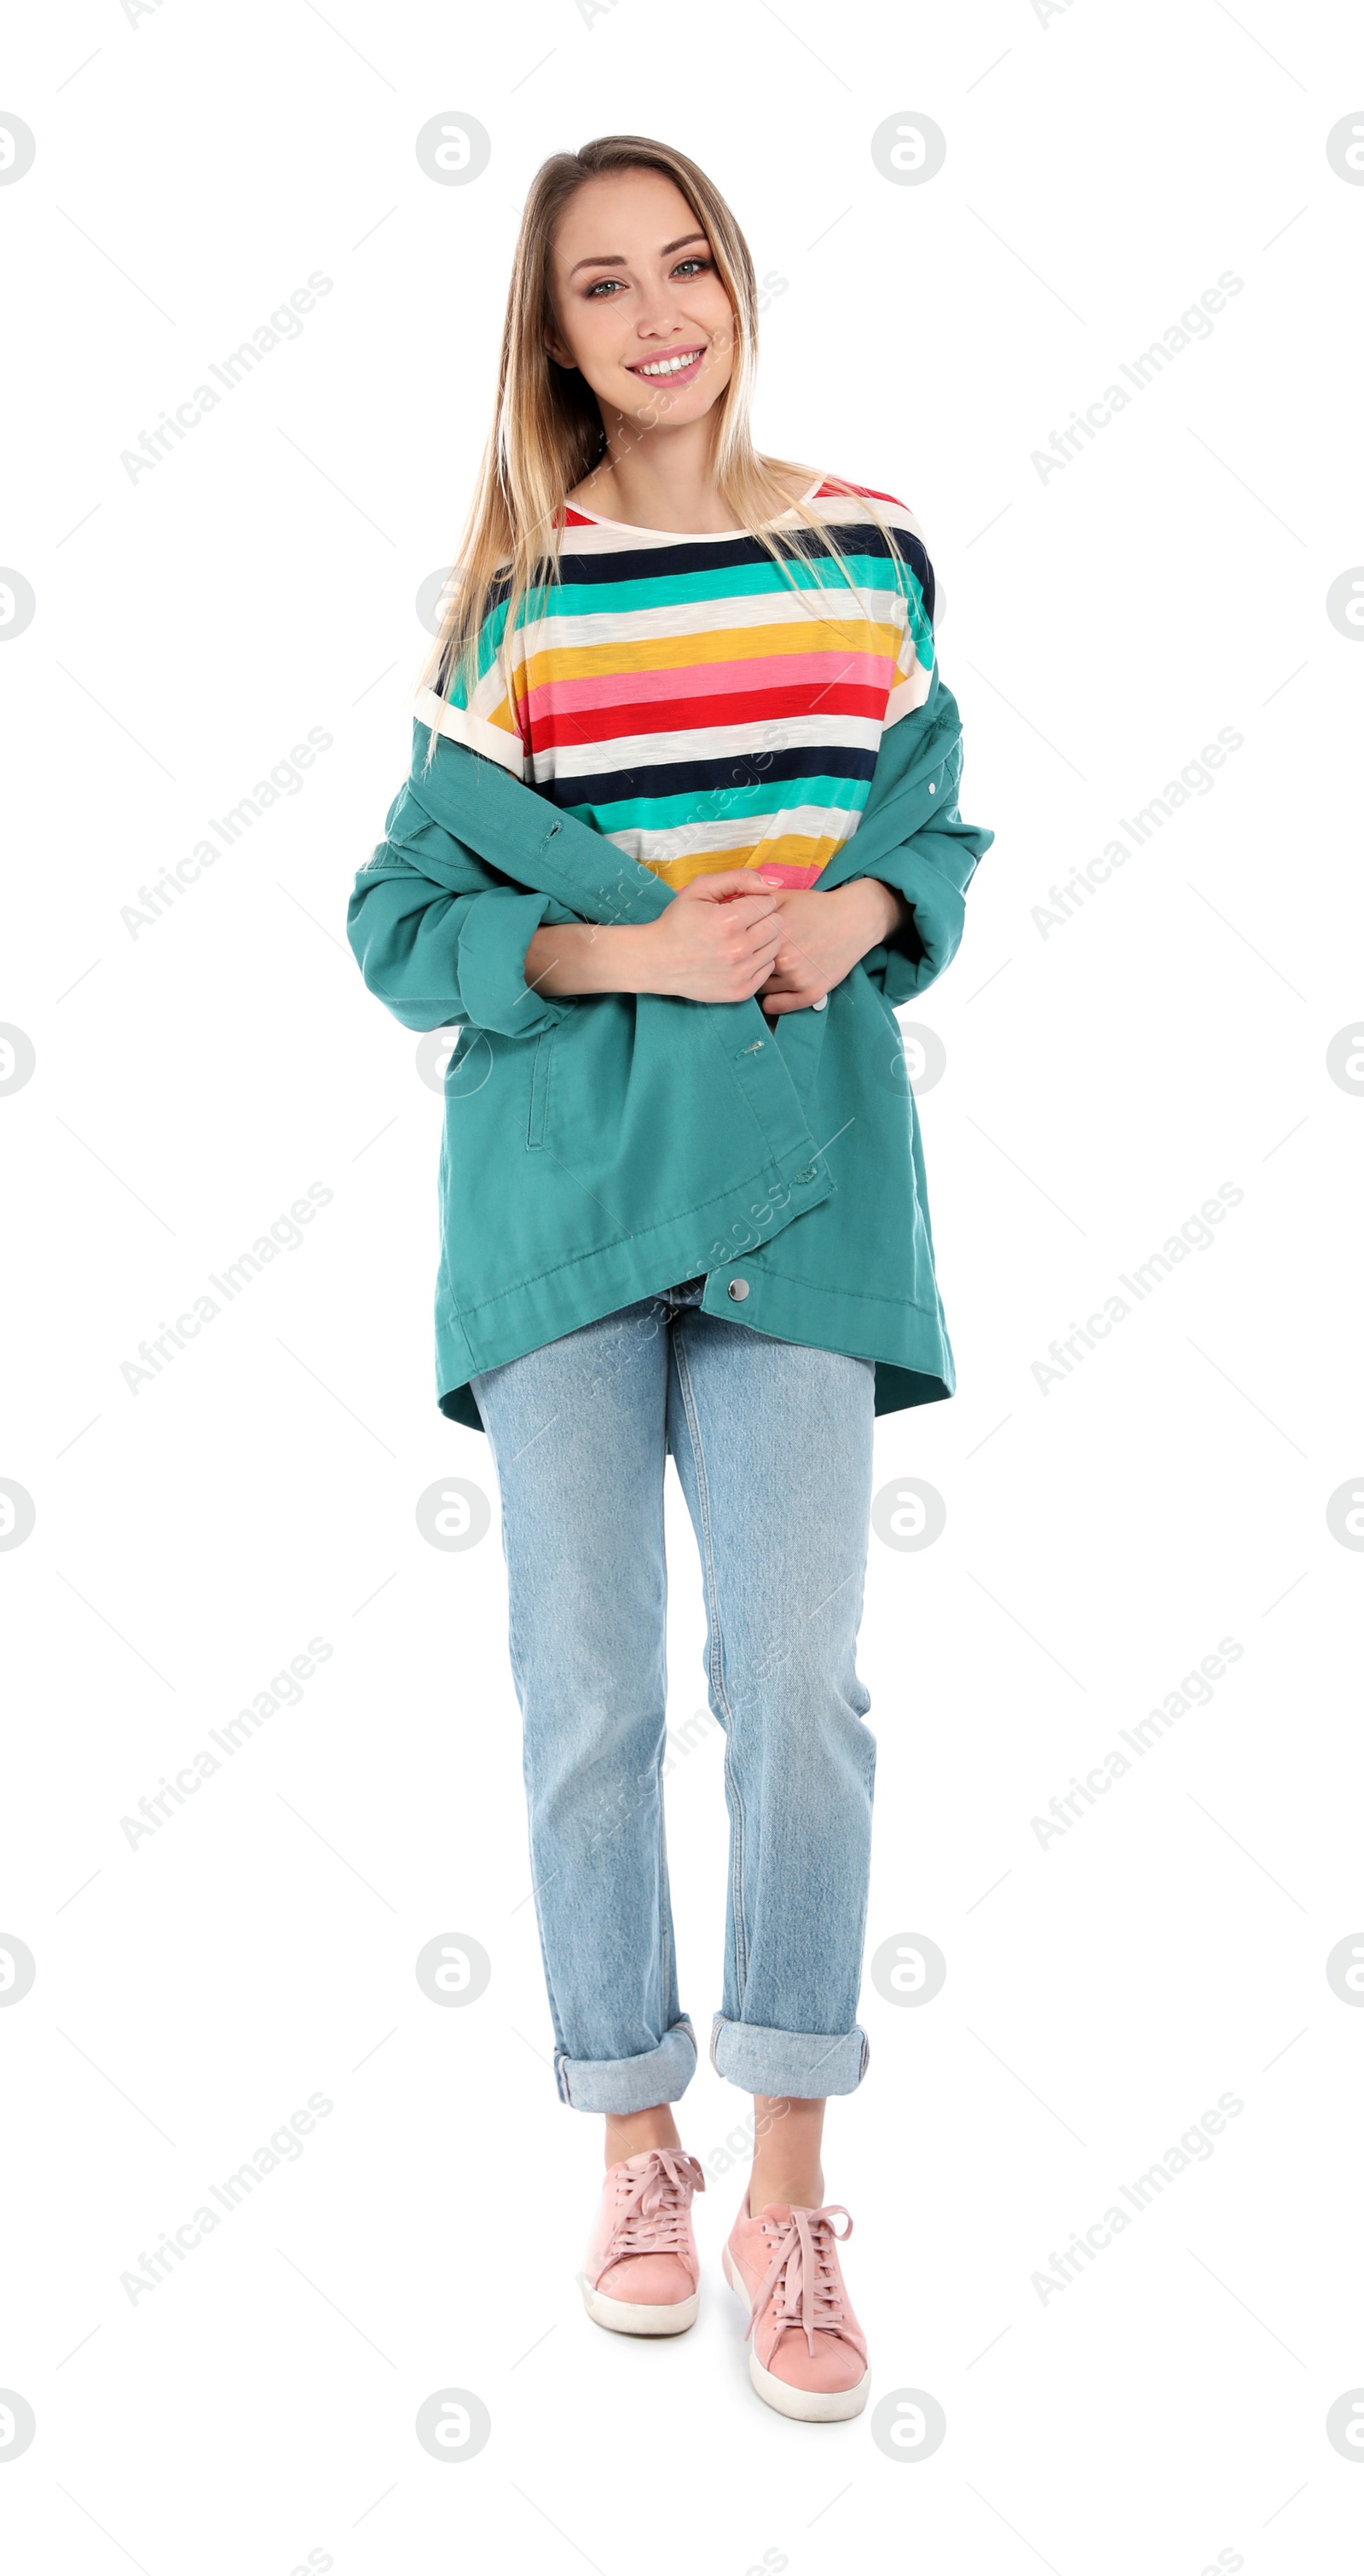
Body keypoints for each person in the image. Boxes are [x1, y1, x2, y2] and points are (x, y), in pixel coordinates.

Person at [346, 132, 993, 2423]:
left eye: (686, 264)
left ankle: (792, 2185)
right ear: (555, 337)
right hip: (560, 1192)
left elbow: (927, 820)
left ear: (736, 282)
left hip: (804, 1180)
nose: (656, 315)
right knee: (590, 1685)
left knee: (798, 1681)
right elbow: (396, 919)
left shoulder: (869, 549)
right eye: (601, 286)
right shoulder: (503, 598)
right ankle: (637, 2141)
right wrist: (629, 943)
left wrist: (859, 917)